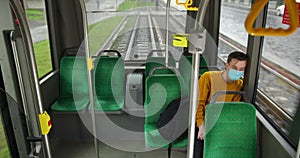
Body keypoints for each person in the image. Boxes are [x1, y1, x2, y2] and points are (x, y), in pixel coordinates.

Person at [193, 51, 248, 158]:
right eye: (234, 68)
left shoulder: (239, 84)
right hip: (204, 120)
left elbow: (233, 109)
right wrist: (201, 126)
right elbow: (198, 103)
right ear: (227, 65)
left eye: (241, 69)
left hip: (222, 122)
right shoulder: (208, 77)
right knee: (200, 146)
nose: (238, 71)